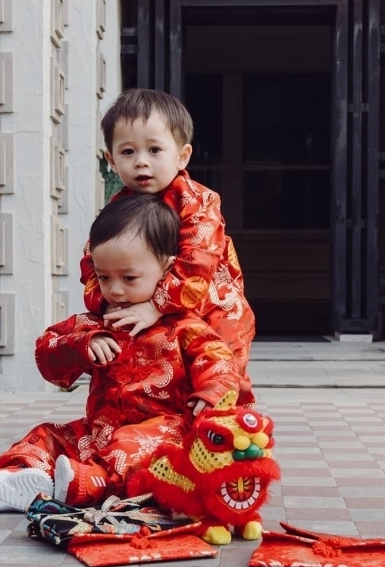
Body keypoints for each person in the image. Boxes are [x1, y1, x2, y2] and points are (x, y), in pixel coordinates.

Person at [0, 194, 252, 514]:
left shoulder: (186, 328)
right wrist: (82, 345)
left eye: (129, 278)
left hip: (163, 433)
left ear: (166, 268)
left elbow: (219, 362)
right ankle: (17, 478)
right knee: (47, 435)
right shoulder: (95, 323)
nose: (115, 290)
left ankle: (87, 483)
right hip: (98, 432)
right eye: (104, 278)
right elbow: (47, 353)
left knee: (138, 443)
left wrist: (211, 394)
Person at [81, 88, 256, 385]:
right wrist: (104, 301)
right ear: (111, 160)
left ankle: (226, 422)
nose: (140, 162)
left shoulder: (198, 202)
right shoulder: (118, 209)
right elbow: (93, 259)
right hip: (149, 308)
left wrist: (155, 306)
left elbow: (197, 262)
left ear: (182, 156)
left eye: (154, 150)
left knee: (219, 364)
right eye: (127, 152)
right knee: (163, 372)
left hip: (211, 304)